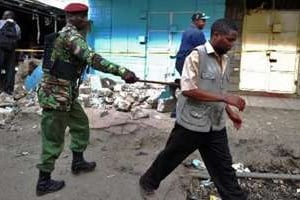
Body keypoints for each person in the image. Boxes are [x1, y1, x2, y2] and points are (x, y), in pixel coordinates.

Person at [36, 3, 138, 196]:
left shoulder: (69, 34)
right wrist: (122, 72)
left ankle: (78, 162)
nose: (83, 20)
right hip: (55, 96)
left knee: (81, 124)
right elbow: (92, 58)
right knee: (53, 138)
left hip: (66, 93)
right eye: (80, 17)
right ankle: (43, 182)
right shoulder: (72, 36)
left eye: (84, 16)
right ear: (71, 18)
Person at [139, 18, 248, 200]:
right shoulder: (196, 56)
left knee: (223, 167)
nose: (232, 44)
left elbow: (219, 90)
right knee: (171, 156)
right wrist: (225, 98)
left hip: (215, 124)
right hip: (192, 123)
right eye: (229, 40)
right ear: (216, 35)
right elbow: (188, 90)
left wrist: (230, 112)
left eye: (233, 40)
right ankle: (148, 182)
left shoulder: (226, 59)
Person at [170, 12, 209, 118]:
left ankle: (179, 110)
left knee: (187, 85)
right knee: (190, 87)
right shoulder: (197, 33)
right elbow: (205, 50)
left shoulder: (187, 31)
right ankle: (179, 111)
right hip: (186, 62)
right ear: (196, 21)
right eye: (203, 20)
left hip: (181, 61)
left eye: (205, 20)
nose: (205, 23)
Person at [0, 10, 21, 96]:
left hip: (0, 48)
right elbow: (19, 37)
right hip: (11, 50)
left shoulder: (0, 23)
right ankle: (8, 90)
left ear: (4, 16)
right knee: (10, 70)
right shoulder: (16, 26)